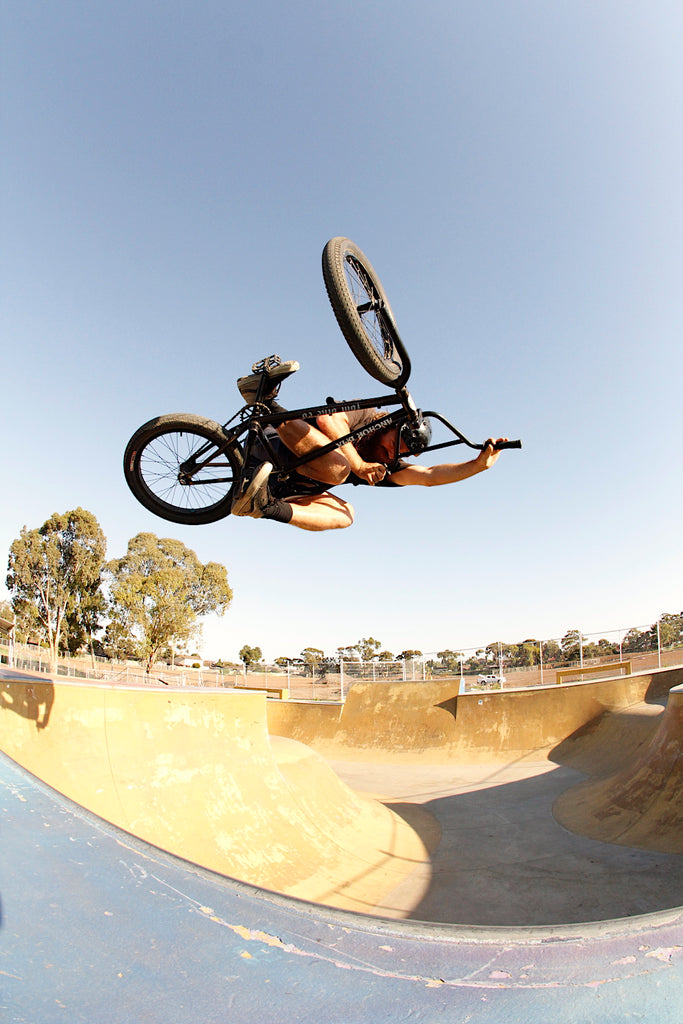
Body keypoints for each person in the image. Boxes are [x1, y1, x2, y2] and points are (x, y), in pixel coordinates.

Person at [230, 360, 508, 532]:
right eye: (398, 444)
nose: (395, 454)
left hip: (279, 485)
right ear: (391, 426)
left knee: (347, 514)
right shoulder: (367, 417)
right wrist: (358, 465)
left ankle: (264, 506)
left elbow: (430, 476)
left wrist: (478, 465)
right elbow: (329, 421)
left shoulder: (385, 466)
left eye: (405, 453)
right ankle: (266, 403)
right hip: (274, 445)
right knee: (339, 468)